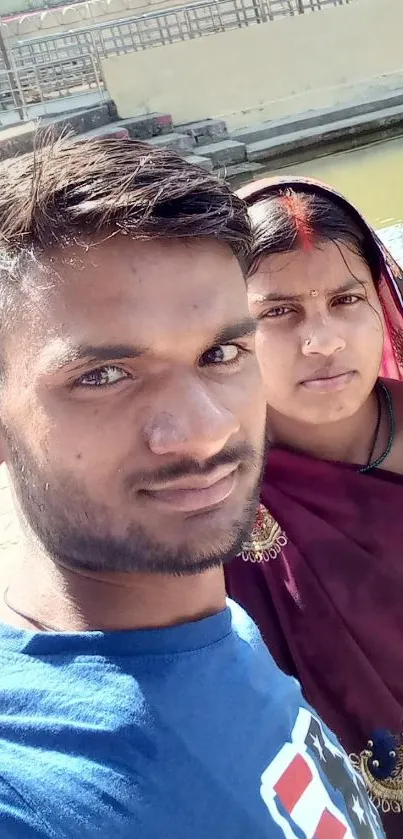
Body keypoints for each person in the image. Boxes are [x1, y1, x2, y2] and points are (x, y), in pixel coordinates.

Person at [0, 141, 382, 839]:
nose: (204, 431)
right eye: (105, 375)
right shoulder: (34, 784)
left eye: (220, 353)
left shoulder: (220, 632)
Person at [225, 176, 403, 837]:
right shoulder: (211, 491)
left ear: (378, 299)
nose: (321, 340)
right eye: (278, 312)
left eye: (344, 299)